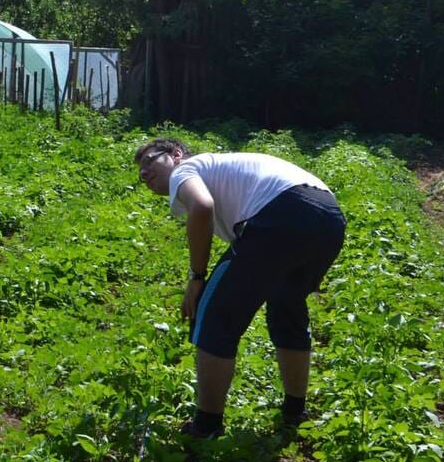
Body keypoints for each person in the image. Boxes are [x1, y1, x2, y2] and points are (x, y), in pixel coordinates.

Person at [134, 138, 346, 439]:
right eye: (139, 171)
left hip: (283, 212)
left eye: (148, 161)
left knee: (215, 317)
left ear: (176, 155)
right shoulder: (222, 172)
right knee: (287, 308)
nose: (143, 173)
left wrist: (197, 278)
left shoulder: (187, 169)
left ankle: (206, 427)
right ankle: (295, 411)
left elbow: (203, 207)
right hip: (329, 218)